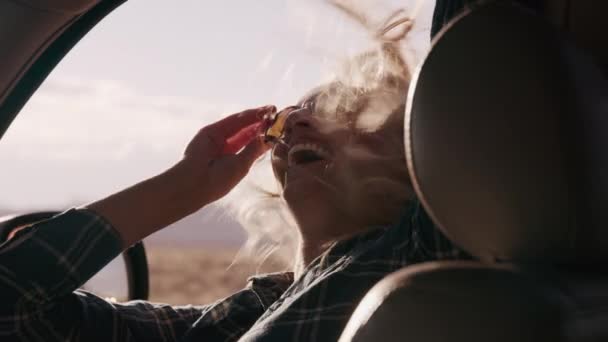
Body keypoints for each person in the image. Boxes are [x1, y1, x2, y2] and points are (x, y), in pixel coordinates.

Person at [0, 4, 471, 342]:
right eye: (292, 117)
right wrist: (183, 187)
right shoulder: (238, 318)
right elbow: (11, 306)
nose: (303, 122)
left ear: (420, 159)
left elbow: (474, 72)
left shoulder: (418, 254)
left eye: (350, 119)